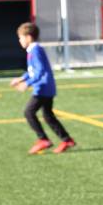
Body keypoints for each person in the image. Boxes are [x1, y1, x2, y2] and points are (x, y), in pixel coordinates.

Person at [10, 22, 76, 154]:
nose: (19, 40)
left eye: (20, 37)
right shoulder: (33, 50)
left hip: (43, 88)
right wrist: (21, 79)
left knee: (28, 112)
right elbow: (33, 71)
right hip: (46, 87)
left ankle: (43, 139)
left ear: (28, 37)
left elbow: (40, 71)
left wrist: (27, 84)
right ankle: (67, 139)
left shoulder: (36, 50)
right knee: (48, 116)